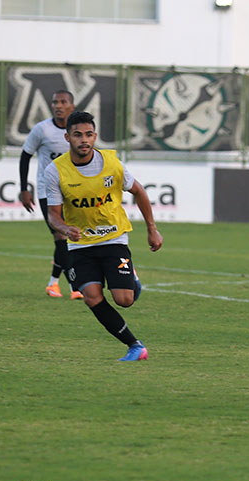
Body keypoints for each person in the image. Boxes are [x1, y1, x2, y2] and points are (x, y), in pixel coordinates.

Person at [45, 111, 163, 361]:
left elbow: (139, 192)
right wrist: (65, 229)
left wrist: (152, 228)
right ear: (68, 138)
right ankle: (135, 346)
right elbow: (53, 215)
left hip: (113, 238)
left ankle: (131, 277)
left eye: (88, 134)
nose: (84, 140)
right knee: (91, 296)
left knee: (125, 300)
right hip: (79, 245)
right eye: (77, 135)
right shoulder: (55, 171)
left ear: (95, 136)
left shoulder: (112, 164)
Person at [18, 89, 82, 299]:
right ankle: (73, 286)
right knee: (60, 235)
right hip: (48, 191)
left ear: (72, 106)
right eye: (55, 102)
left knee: (69, 238)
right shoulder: (41, 129)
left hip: (72, 192)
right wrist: (24, 189)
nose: (58, 105)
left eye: (63, 102)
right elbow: (25, 157)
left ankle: (53, 283)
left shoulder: (78, 132)